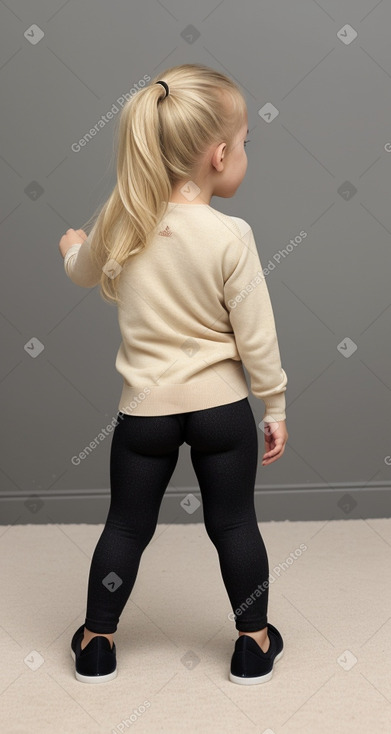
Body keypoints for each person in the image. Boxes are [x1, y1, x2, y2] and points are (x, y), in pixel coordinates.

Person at [59, 63, 288, 685]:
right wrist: (275, 406)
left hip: (145, 413)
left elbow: (84, 270)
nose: (244, 154)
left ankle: (97, 640)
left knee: (127, 526)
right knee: (234, 523)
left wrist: (73, 246)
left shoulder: (124, 218)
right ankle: (253, 642)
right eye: (244, 144)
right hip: (220, 410)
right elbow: (257, 338)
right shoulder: (231, 236)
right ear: (219, 155)